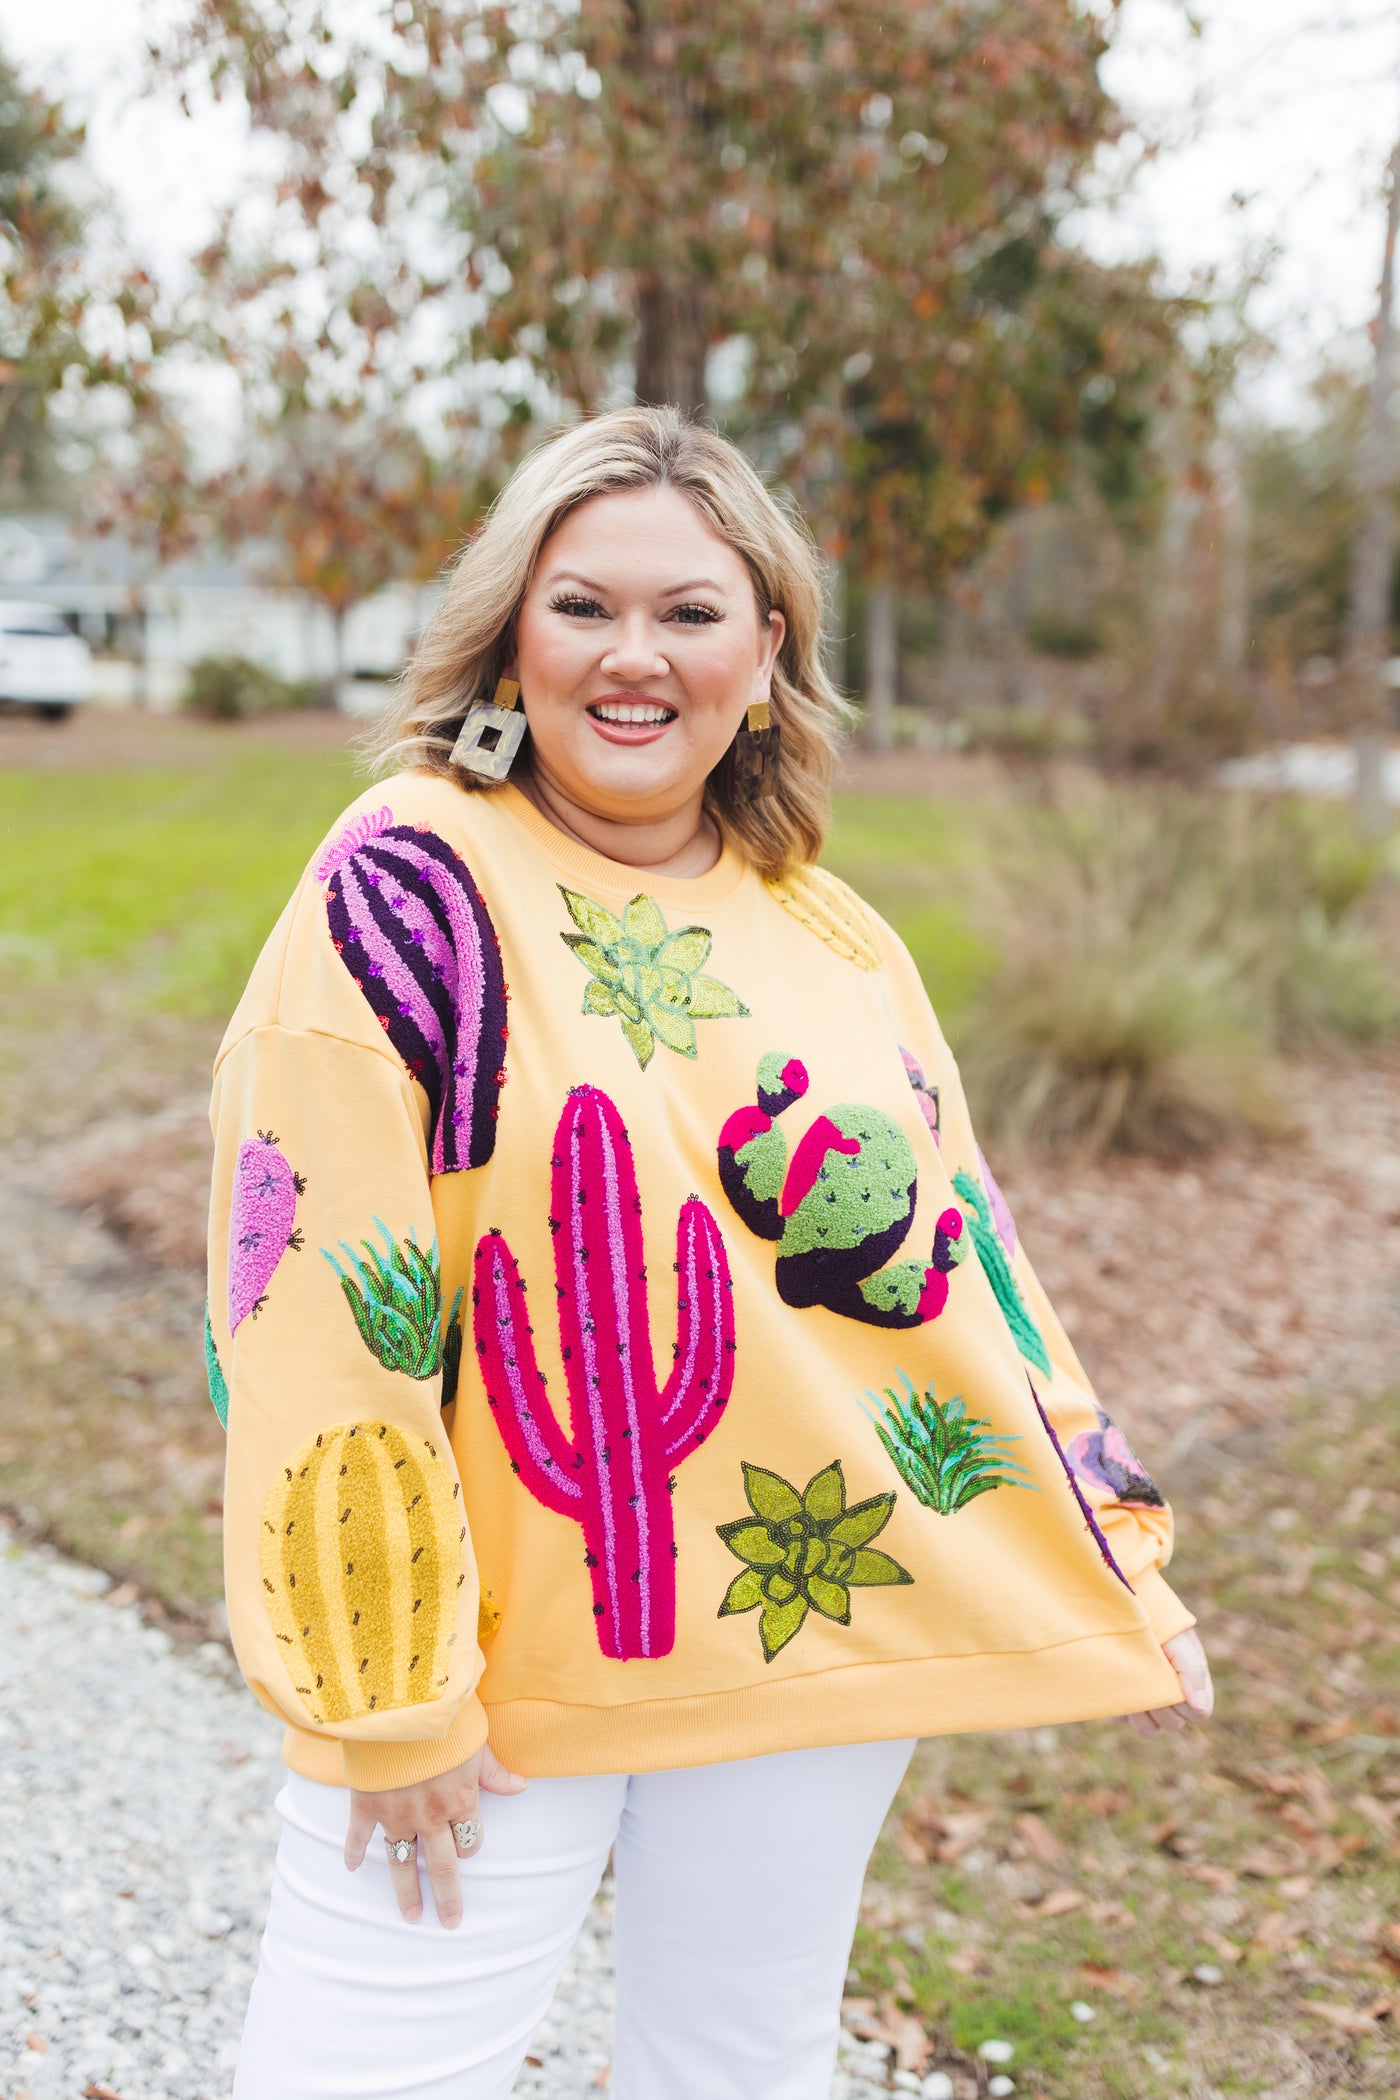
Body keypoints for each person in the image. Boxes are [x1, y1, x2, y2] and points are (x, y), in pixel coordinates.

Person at [208, 406, 1212, 2100]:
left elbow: (967, 1255)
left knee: (740, 2067)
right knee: (359, 2075)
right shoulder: (407, 885)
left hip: (805, 1627)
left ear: (766, 653)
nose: (633, 656)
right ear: (507, 634)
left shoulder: (826, 924)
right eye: (582, 604)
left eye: (690, 612)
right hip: (493, 1667)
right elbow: (315, 1300)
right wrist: (384, 1692)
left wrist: (1112, 1537)